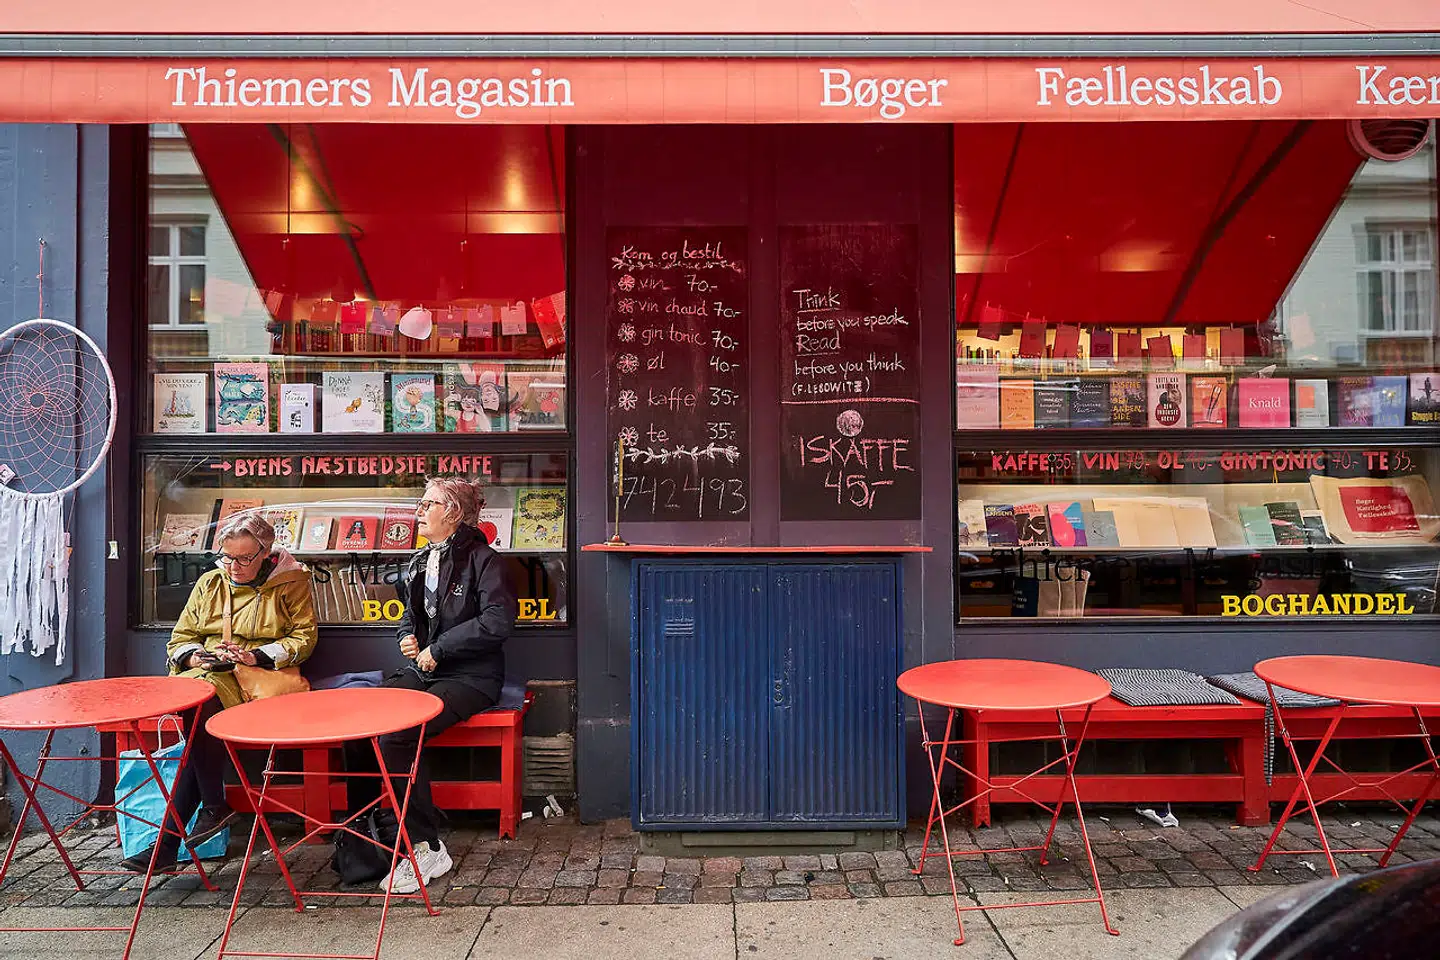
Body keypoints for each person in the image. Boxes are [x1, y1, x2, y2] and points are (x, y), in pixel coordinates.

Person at [344, 477, 517, 893]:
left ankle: (427, 845)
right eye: (421, 504)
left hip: (472, 678)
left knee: (399, 735)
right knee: (358, 724)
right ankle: (369, 832)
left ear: (453, 513)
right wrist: (407, 635)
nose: (419, 511)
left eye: (428, 504)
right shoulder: (421, 558)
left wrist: (439, 648)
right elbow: (412, 613)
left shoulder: (485, 560)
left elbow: (497, 621)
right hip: (427, 671)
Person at [122, 512, 318, 872]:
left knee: (197, 714)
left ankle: (181, 832)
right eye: (228, 557)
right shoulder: (210, 583)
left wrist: (255, 654)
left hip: (259, 678)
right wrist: (193, 654)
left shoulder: (291, 583)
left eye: (244, 558)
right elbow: (180, 637)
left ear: (266, 553)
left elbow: (303, 639)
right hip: (211, 675)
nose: (235, 566)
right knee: (198, 700)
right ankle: (202, 815)